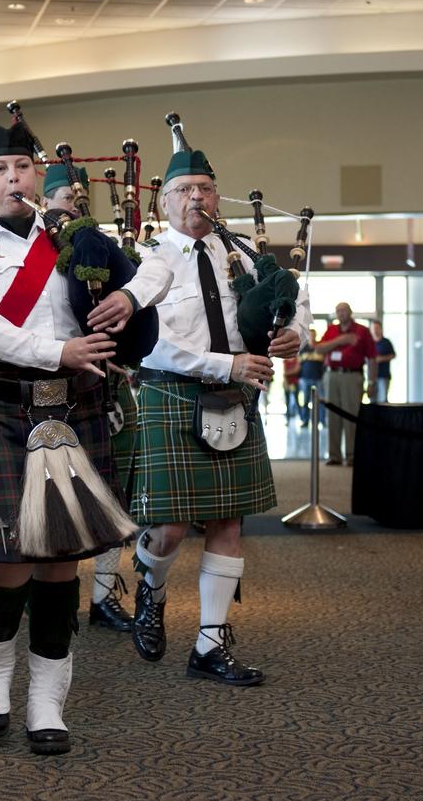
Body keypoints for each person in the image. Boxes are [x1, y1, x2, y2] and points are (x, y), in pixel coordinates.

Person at [0, 123, 169, 754]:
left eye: (22, 167)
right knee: (9, 557)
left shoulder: (73, 235)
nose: (13, 179)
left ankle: (47, 697)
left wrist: (126, 295)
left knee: (60, 555)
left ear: (37, 175)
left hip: (74, 409)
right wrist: (55, 350)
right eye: (0, 170)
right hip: (3, 408)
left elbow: (161, 269)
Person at [127, 147, 303, 687]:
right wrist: (225, 361)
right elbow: (150, 344)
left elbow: (292, 300)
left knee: (229, 521)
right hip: (172, 395)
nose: (196, 198)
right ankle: (151, 590)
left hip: (234, 397)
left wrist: (297, 334)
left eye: (204, 188)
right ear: (164, 199)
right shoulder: (147, 258)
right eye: (184, 189)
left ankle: (210, 643)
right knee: (171, 529)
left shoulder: (243, 251)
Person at [42, 161, 134, 632]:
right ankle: (52, 596)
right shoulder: (36, 250)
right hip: (45, 387)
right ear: (44, 200)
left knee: (108, 494)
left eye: (80, 197)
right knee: (52, 498)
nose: (75, 204)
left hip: (97, 385)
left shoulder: (98, 245)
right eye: (64, 195)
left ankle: (102, 596)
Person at [315, 302, 375, 465]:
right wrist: (341, 340)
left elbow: (372, 358)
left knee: (351, 415)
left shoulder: (362, 331)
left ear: (350, 312)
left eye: (344, 310)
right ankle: (334, 455)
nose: (341, 313)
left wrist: (371, 382)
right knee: (332, 416)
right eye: (338, 311)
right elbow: (319, 349)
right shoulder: (331, 330)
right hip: (332, 376)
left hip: (352, 376)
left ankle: (351, 455)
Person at [297, 328, 324, 428]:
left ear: (315, 335)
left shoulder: (320, 347)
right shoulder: (303, 348)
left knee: (321, 401)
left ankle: (322, 421)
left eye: (313, 335)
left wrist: (308, 357)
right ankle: (305, 421)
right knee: (305, 401)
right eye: (310, 335)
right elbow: (298, 362)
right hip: (305, 378)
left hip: (319, 378)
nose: (311, 337)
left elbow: (323, 360)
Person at [369, 320, 395, 403]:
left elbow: (393, 355)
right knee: (372, 399)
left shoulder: (386, 342)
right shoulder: (369, 343)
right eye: (373, 328)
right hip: (371, 377)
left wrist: (381, 359)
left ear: (381, 329)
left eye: (377, 328)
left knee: (382, 400)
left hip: (383, 375)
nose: (375, 330)